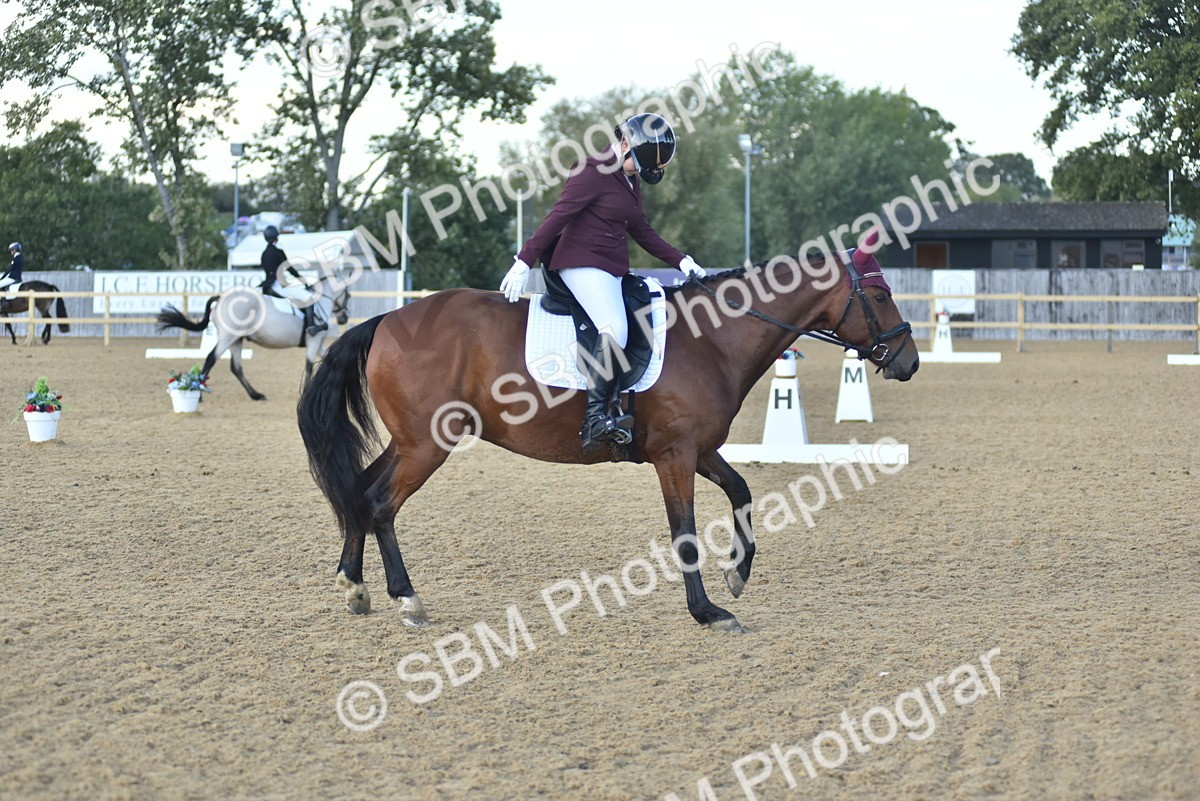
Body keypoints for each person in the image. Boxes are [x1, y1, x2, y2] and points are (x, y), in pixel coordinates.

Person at [499, 113, 706, 450]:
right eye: (637, 164)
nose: (638, 172)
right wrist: (524, 261)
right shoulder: (591, 171)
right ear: (624, 143)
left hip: (610, 267)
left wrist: (681, 261)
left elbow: (641, 230)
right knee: (615, 327)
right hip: (580, 262)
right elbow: (558, 217)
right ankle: (595, 418)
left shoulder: (630, 178)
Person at [258, 225, 326, 336]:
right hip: (278, 285)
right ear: (276, 237)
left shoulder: (264, 254)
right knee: (309, 297)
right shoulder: (278, 252)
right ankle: (311, 327)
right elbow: (290, 269)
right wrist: (303, 281)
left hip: (267, 286)